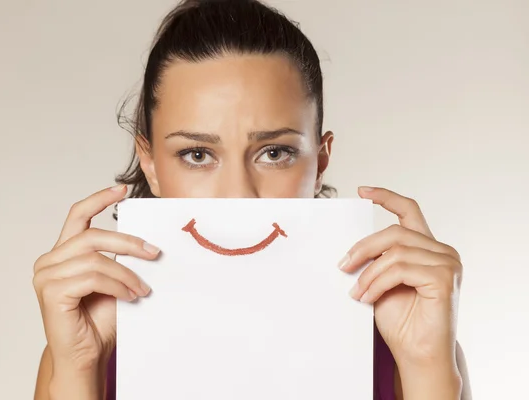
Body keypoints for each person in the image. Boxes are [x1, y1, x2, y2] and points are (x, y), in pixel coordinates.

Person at [32, 0, 472, 399]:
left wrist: (426, 366)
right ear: (149, 164)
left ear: (320, 162)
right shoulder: (90, 341)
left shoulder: (404, 335)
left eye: (274, 153)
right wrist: (79, 370)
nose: (238, 195)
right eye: (197, 154)